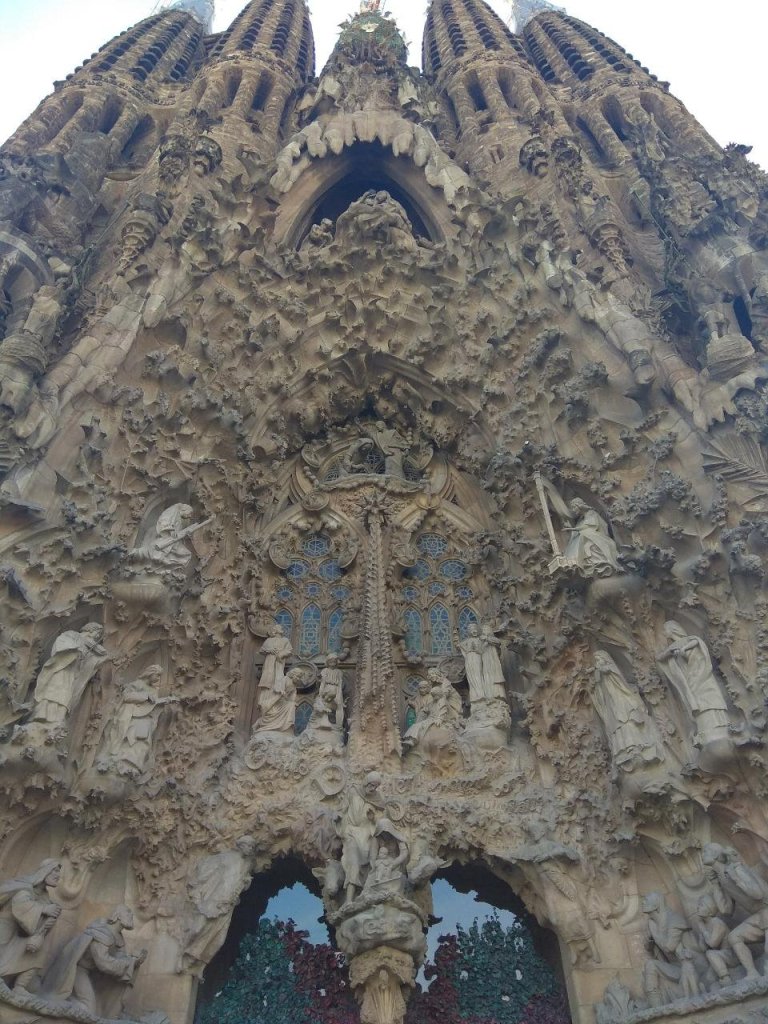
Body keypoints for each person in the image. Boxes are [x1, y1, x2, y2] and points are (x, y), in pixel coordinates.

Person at [41, 905, 147, 1015]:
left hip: (89, 972)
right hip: (75, 969)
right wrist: (130, 962)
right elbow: (105, 964)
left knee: (96, 1010)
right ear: (118, 916)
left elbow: (120, 958)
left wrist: (134, 960)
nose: (131, 915)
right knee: (89, 1008)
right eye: (128, 912)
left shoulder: (118, 937)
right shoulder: (102, 933)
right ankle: (57, 1006)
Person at [28, 624, 107, 728]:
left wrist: (96, 657)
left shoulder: (91, 646)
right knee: (53, 692)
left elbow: (90, 663)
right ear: (90, 629)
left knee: (66, 696)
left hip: (72, 674)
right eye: (98, 633)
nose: (97, 636)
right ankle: (42, 716)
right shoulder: (72, 635)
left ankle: (58, 720)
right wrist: (76, 650)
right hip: (61, 668)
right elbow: (61, 646)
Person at [0, 860, 61, 991]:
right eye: (55, 871)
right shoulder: (25, 886)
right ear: (45, 871)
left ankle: (19, 986)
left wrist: (50, 918)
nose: (58, 875)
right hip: (5, 927)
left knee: (39, 953)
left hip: (21, 934)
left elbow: (39, 924)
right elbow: (21, 905)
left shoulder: (45, 896)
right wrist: (44, 909)